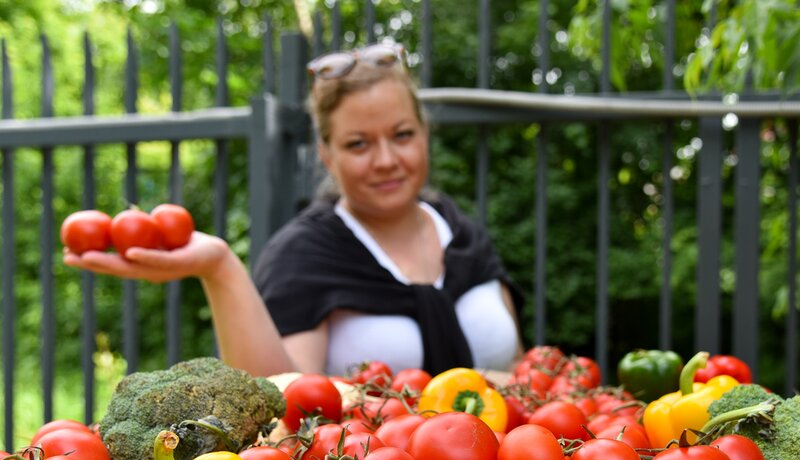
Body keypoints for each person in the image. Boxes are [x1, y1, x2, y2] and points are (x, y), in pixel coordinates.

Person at [64, 42, 522, 378]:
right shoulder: (305, 254)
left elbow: (524, 373)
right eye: (358, 143)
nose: (386, 160)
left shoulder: (461, 234)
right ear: (327, 155)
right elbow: (280, 402)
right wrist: (220, 269)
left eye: (402, 134)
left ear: (425, 134)